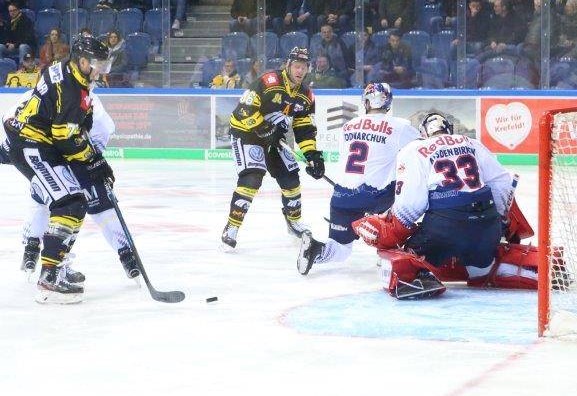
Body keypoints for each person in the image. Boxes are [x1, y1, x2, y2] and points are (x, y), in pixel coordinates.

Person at [352, 113, 539, 299]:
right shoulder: (471, 143)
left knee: (409, 255)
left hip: (446, 228)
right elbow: (502, 183)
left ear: (423, 133)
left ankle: (419, 276)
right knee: (481, 264)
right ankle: (522, 269)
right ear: (449, 129)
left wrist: (394, 228)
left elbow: (411, 205)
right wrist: (498, 221)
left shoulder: (415, 149)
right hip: (487, 227)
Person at [0, 35, 121, 303]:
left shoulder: (68, 71)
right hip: (33, 145)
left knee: (77, 202)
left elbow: (60, 117)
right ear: (83, 61)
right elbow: (65, 137)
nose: (101, 70)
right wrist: (94, 160)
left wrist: (90, 149)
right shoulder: (70, 88)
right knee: (68, 203)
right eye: (98, 64)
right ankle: (50, 277)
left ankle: (58, 265)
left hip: (38, 142)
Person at [297, 85, 418, 269]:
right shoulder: (400, 126)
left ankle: (315, 249)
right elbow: (423, 151)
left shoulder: (348, 126)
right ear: (388, 102)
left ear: (366, 102)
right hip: (378, 197)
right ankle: (392, 249)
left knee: (341, 249)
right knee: (409, 193)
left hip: (342, 197)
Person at [219, 47, 324, 252]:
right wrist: (265, 129)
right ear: (288, 65)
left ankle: (294, 222)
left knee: (291, 178)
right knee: (252, 178)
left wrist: (312, 155)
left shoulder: (306, 96)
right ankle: (232, 227)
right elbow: (243, 110)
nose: (300, 71)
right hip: (247, 132)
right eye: (297, 66)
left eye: (304, 67)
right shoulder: (269, 82)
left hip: (274, 137)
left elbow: (304, 128)